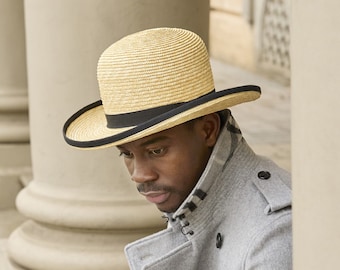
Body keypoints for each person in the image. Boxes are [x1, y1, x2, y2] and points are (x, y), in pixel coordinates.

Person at [63, 27, 292, 270]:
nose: (139, 174)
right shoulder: (194, 199)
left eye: (157, 151)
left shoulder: (271, 235)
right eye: (126, 153)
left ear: (208, 130)